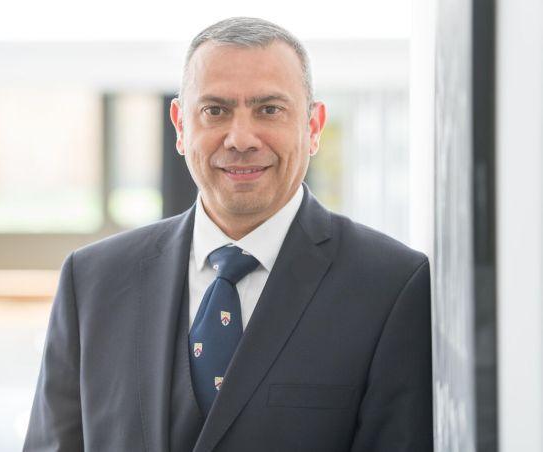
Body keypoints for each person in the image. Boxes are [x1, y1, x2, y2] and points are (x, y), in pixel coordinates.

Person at [24, 17, 432, 452]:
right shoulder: (91, 281)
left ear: (314, 126)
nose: (240, 138)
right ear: (181, 125)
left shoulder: (391, 287)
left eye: (268, 110)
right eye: (215, 110)